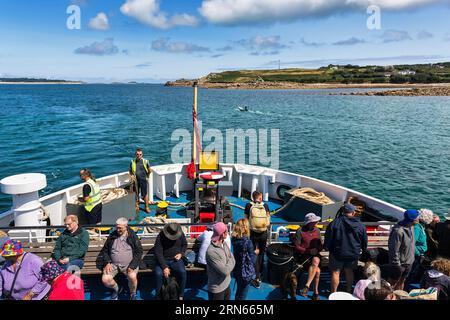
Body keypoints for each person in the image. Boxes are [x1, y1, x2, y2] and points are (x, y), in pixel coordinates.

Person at [324, 203, 368, 293]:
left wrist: (326, 247)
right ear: (353, 212)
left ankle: (334, 293)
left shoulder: (334, 223)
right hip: (353, 254)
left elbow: (328, 237)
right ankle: (348, 290)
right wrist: (364, 250)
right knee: (349, 271)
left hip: (337, 253)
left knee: (335, 272)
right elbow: (364, 240)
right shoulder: (360, 225)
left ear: (343, 212)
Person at [100, 217, 143, 300]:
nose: (118, 230)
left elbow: (139, 251)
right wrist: (107, 262)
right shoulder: (112, 235)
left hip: (129, 264)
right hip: (114, 264)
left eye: (120, 228)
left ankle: (132, 294)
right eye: (117, 227)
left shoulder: (132, 236)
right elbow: (105, 250)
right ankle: (117, 289)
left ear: (126, 227)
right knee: (105, 279)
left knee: (132, 276)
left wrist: (132, 266)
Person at [292, 212, 323, 300]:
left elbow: (320, 244)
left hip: (315, 255)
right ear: (310, 223)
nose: (317, 222)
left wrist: (317, 249)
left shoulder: (317, 230)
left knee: (316, 261)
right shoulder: (300, 231)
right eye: (315, 221)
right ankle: (315, 292)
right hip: (304, 256)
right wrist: (309, 251)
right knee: (317, 271)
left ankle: (307, 286)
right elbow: (296, 246)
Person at [154, 223, 187, 300]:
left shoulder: (180, 234)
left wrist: (181, 254)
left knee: (182, 272)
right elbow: (158, 253)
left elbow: (184, 245)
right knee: (158, 274)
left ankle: (181, 295)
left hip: (175, 260)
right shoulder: (161, 236)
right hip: (163, 259)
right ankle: (158, 296)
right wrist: (164, 267)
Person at [387, 209, 419, 290]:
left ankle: (398, 296)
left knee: (402, 281)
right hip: (399, 264)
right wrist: (397, 265)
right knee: (392, 282)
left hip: (409, 262)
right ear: (412, 220)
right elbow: (393, 250)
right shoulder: (398, 231)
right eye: (417, 217)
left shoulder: (411, 227)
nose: (419, 218)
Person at [244, 191, 270, 288]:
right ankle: (261, 272)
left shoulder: (248, 205)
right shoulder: (266, 205)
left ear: (253, 197)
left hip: (252, 233)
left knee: (253, 252)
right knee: (262, 253)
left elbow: (246, 220)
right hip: (263, 233)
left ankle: (256, 276)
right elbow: (268, 219)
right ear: (260, 197)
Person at [206, 222, 235, 300]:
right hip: (217, 289)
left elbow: (232, 257)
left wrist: (230, 261)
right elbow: (225, 271)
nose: (228, 233)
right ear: (222, 234)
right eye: (226, 231)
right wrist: (230, 261)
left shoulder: (223, 243)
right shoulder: (212, 252)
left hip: (226, 284)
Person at [231, 219, 257, 300]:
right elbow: (252, 260)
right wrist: (255, 253)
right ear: (245, 228)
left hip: (237, 269)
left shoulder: (234, 240)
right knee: (243, 294)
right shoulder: (248, 242)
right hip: (246, 272)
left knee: (238, 291)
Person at [406, 208, 431, 285]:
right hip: (415, 255)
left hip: (417, 254)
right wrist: (418, 253)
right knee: (410, 273)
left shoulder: (420, 226)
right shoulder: (417, 227)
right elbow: (412, 242)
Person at [129, 148, 152, 213]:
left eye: (140, 154)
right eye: (137, 154)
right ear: (135, 155)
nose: (139, 155)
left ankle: (147, 207)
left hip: (143, 180)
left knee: (144, 194)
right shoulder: (132, 161)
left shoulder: (145, 161)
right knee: (136, 193)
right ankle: (137, 206)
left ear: (142, 155)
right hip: (135, 180)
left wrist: (147, 177)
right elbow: (130, 170)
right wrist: (131, 175)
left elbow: (149, 170)